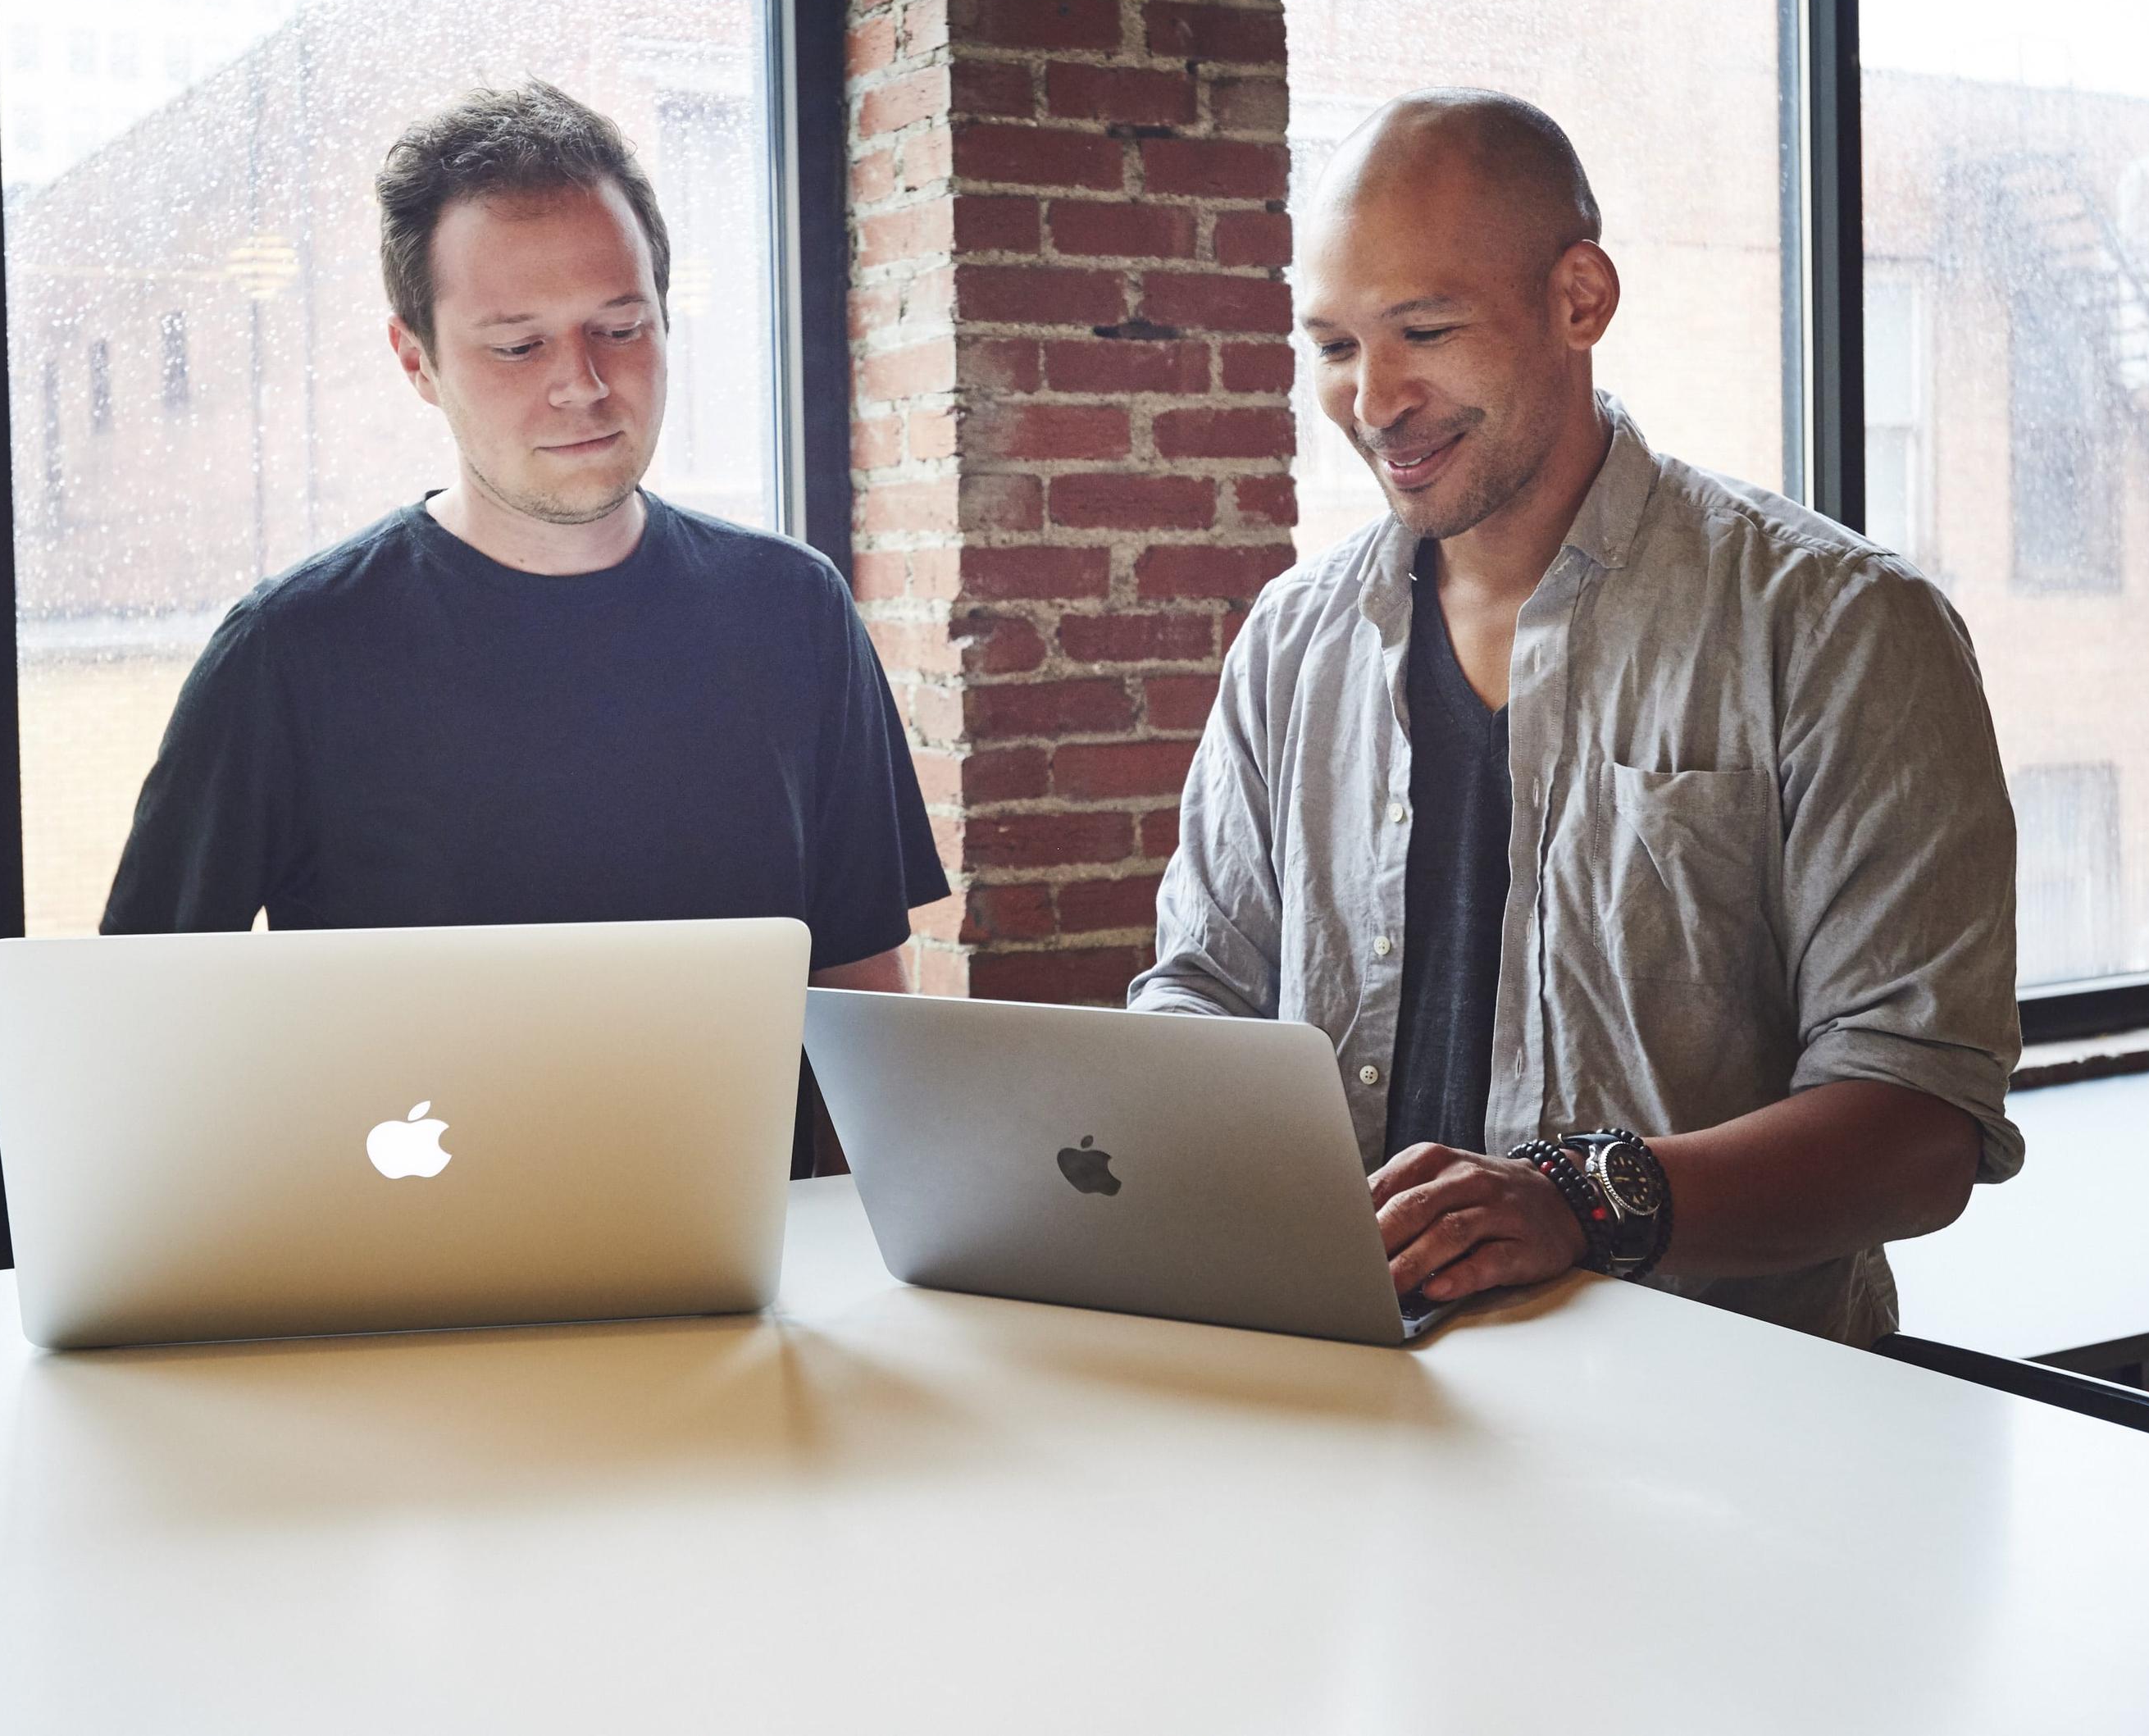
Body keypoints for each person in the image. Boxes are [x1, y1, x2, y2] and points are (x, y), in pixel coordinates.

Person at [1131, 89, 2021, 1343]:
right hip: (1344, 1396)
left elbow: (1920, 1124)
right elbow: (1202, 991)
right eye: (1333, 346)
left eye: (1424, 329)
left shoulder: (1843, 630)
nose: (1373, 400)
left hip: (1720, 1433)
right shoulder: (1289, 642)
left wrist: (1581, 1198)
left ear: (1580, 299)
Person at [102, 81, 948, 1169]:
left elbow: (862, 1007)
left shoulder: (797, 613)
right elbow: (138, 1046)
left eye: (620, 327)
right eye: (517, 345)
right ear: (417, 361)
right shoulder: (288, 655)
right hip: (411, 1286)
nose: (582, 384)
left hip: (754, 1281)